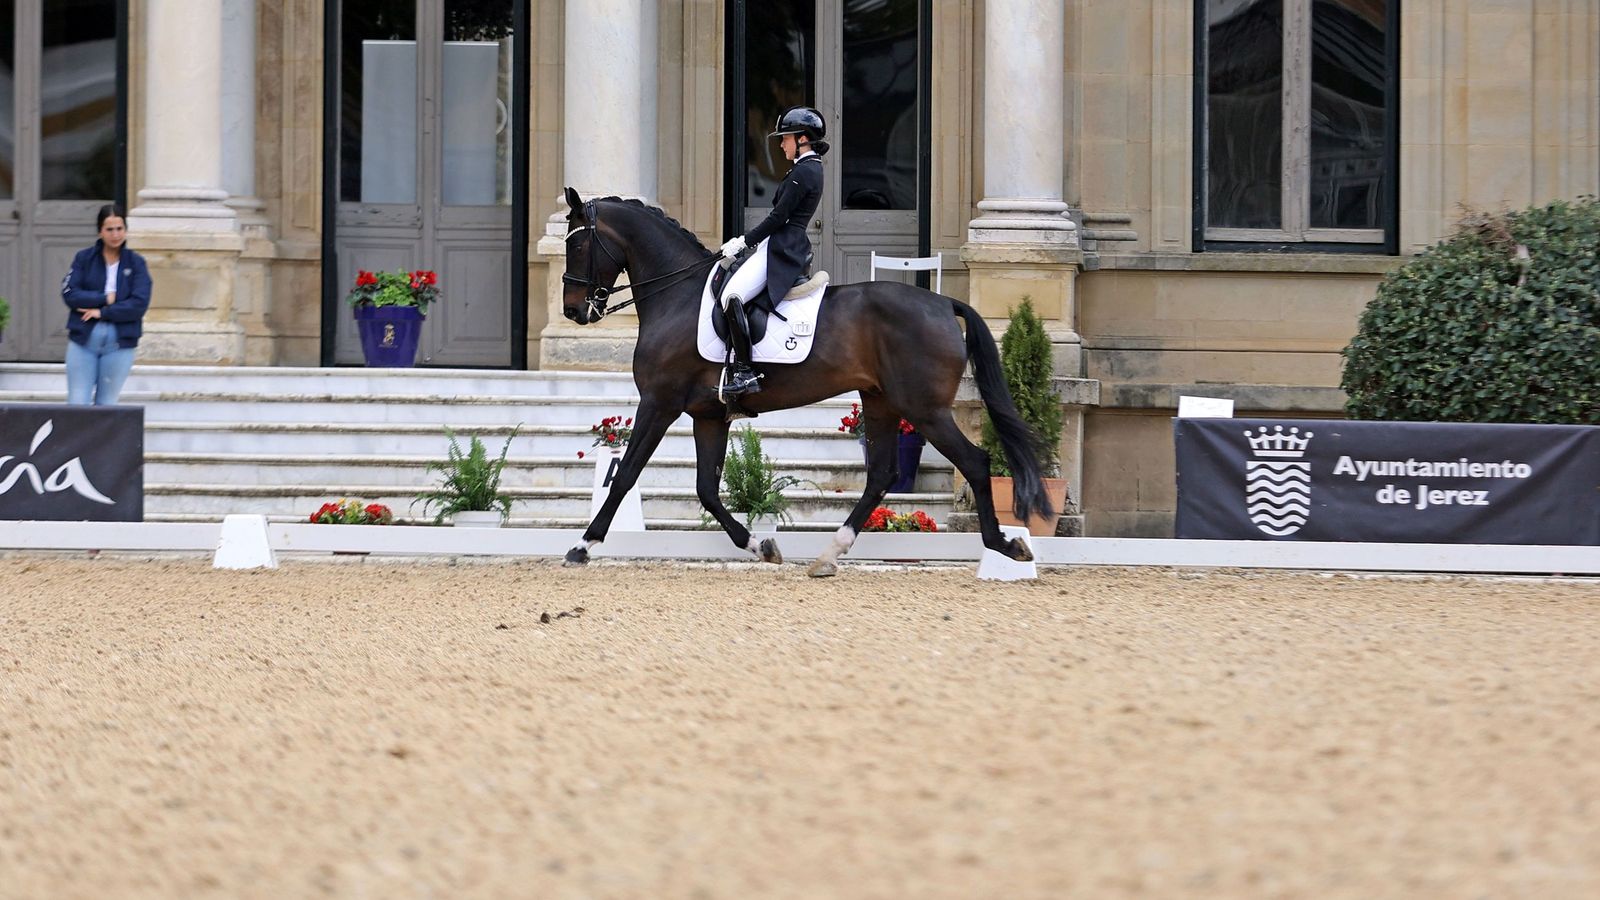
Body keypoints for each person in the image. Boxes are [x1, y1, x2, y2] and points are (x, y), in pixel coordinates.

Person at [717, 106, 829, 404]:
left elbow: (778, 217)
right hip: (780, 244)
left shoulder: (805, 171)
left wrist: (743, 242)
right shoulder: (806, 168)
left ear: (803, 139)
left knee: (732, 297)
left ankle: (745, 371)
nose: (781, 144)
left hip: (782, 247)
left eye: (785, 138)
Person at [62, 204, 151, 406]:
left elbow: (138, 304)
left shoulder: (136, 263)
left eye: (119, 229)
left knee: (107, 403)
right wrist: (105, 298)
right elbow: (70, 294)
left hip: (120, 343)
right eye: (109, 229)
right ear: (100, 231)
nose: (115, 235)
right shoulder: (84, 259)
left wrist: (102, 312)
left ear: (125, 230)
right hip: (83, 341)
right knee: (77, 402)